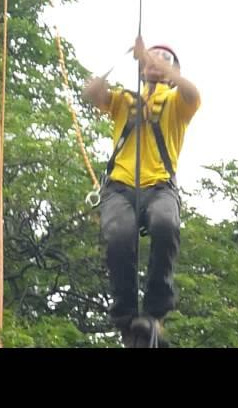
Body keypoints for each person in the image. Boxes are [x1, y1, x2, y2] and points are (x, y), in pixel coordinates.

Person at [82, 35, 201, 347]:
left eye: (165, 60)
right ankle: (126, 317)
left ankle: (154, 312)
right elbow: (92, 94)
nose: (156, 63)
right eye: (152, 60)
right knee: (119, 235)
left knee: (165, 223)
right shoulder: (125, 100)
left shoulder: (177, 102)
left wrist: (151, 57)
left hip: (160, 186)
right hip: (120, 186)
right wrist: (116, 67)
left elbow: (191, 90)